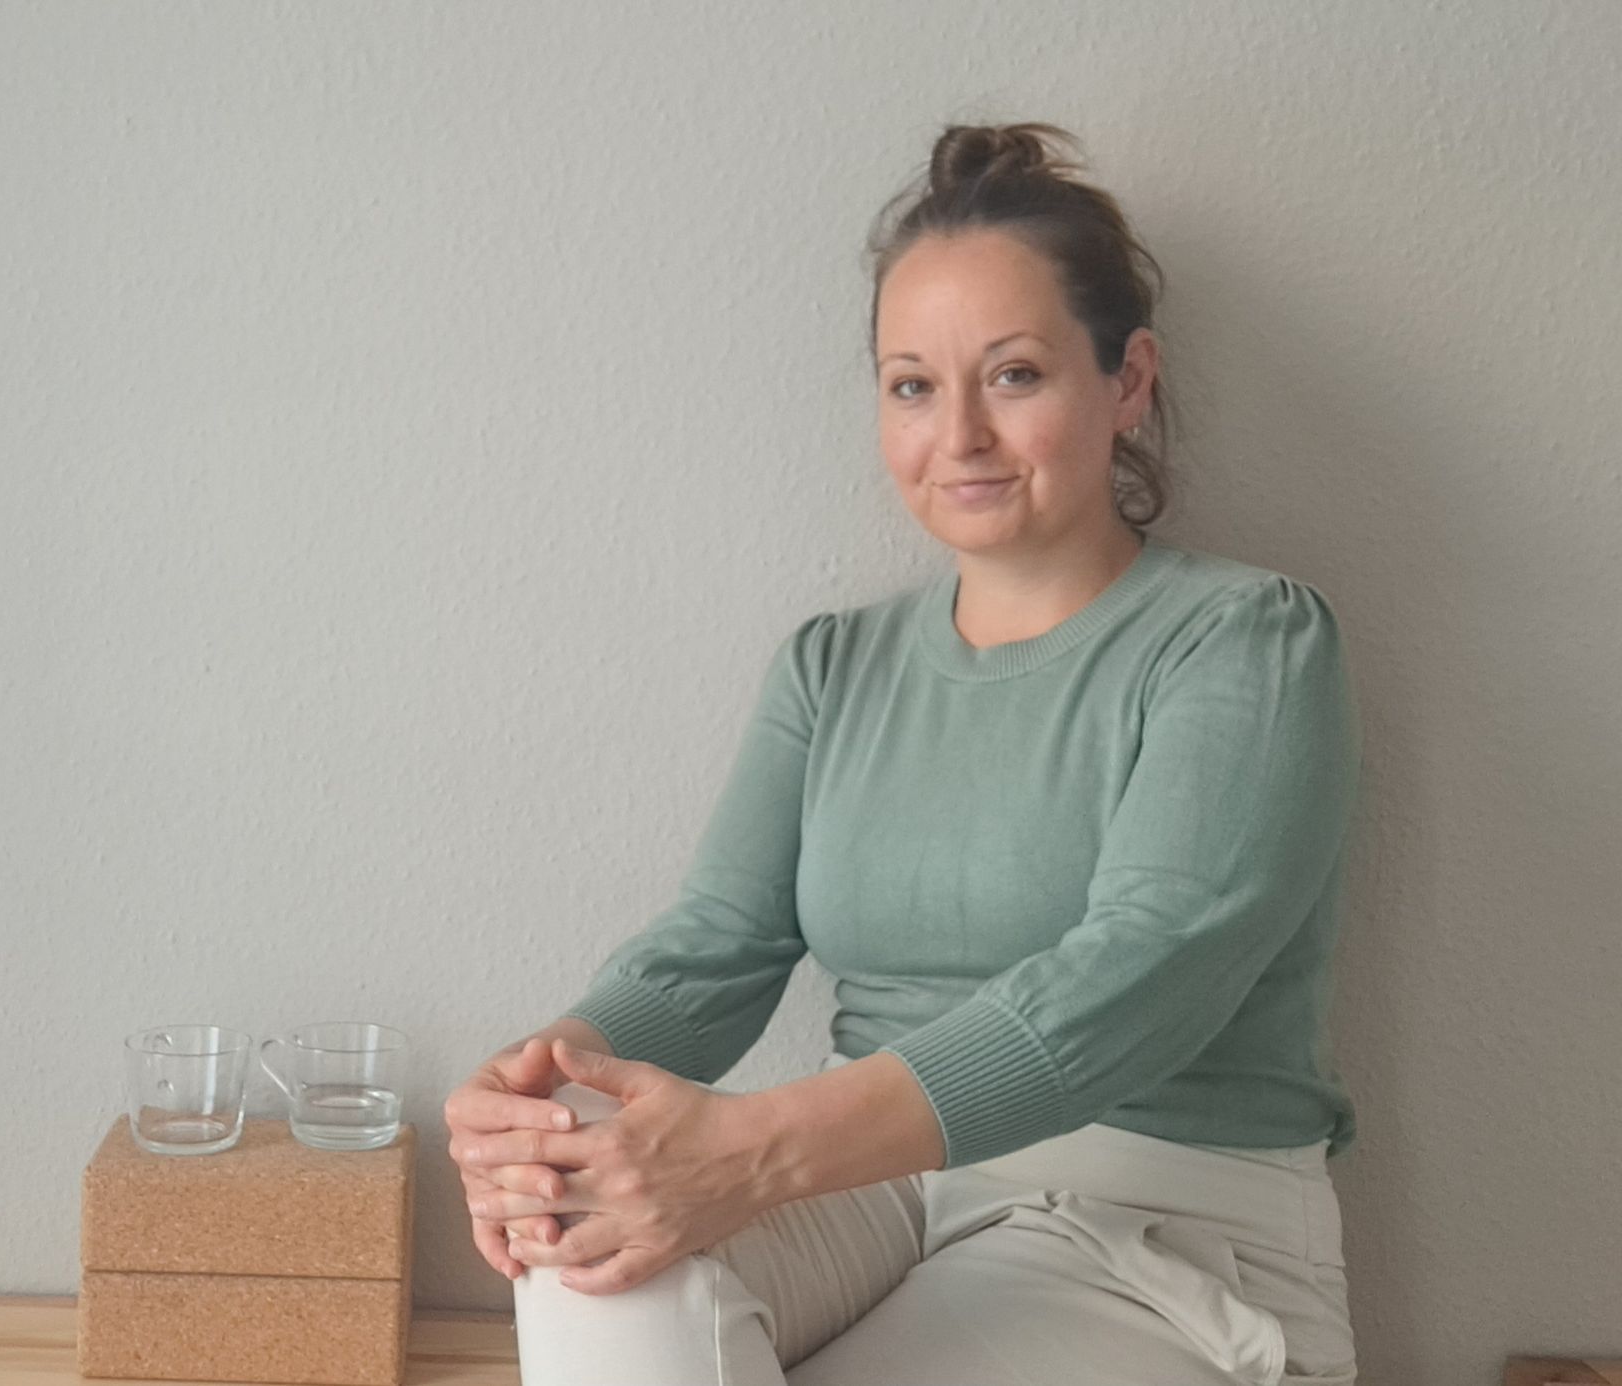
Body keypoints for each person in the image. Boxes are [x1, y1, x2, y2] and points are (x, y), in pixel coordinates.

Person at [443, 119, 1363, 1385]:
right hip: (872, 1198)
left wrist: (753, 1148)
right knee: (585, 1258)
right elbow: (712, 950)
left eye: (1015, 375)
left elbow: (1134, 980)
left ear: (1128, 381)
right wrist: (541, 1094)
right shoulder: (834, 666)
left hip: (1152, 1222)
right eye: (913, 386)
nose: (961, 435)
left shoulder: (1246, 640)